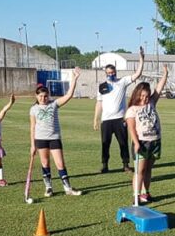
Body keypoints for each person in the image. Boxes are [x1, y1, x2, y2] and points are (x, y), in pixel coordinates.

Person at [30, 67, 83, 197]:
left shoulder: (54, 104)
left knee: (60, 163)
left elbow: (69, 95)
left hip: (54, 138)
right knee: (45, 163)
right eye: (41, 96)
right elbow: (32, 127)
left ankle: (68, 188)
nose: (43, 98)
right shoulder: (33, 109)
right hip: (40, 139)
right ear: (37, 96)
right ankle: (48, 187)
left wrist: (74, 79)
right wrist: (32, 145)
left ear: (49, 96)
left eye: (45, 96)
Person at [93, 47, 145, 174]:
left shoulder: (122, 82)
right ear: (105, 73)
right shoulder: (102, 86)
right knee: (105, 144)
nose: (111, 74)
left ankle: (126, 165)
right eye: (109, 73)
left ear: (116, 71)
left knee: (123, 143)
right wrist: (96, 119)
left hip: (120, 118)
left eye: (113, 72)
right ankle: (105, 165)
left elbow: (137, 74)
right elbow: (99, 103)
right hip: (106, 120)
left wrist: (141, 60)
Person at [125, 64, 169, 203]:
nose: (145, 98)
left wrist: (165, 74)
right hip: (142, 142)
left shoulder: (151, 103)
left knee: (149, 169)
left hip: (155, 140)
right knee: (140, 171)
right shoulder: (132, 109)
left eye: (147, 95)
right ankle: (136, 196)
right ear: (137, 95)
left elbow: (159, 88)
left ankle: (145, 193)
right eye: (142, 96)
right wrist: (136, 143)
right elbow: (131, 128)